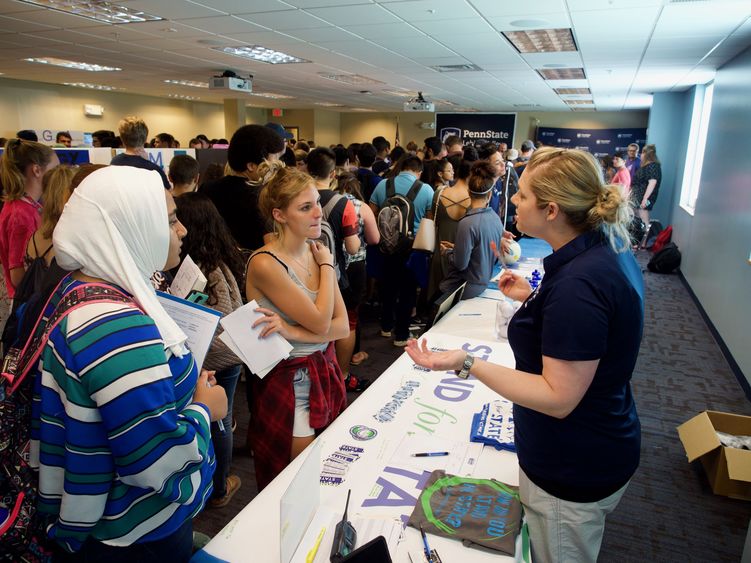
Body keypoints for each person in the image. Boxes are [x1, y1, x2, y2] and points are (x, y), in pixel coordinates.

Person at [406, 147, 643, 563]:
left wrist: (468, 362)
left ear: (551, 210)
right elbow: (591, 335)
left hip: (573, 463)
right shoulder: (600, 252)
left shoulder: (580, 285)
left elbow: (557, 396)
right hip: (593, 442)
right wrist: (535, 300)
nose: (512, 199)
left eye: (523, 196)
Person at [30, 166, 227, 561]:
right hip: (130, 534)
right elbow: (152, 459)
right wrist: (206, 408)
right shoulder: (114, 325)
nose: (182, 230)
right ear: (131, 227)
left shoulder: (83, 285)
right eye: (170, 219)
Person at [245, 162, 349, 489]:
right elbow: (322, 321)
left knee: (323, 474)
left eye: (317, 202)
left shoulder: (314, 251)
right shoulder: (266, 263)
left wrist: (291, 331)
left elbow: (342, 327)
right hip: (289, 381)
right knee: (294, 481)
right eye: (306, 207)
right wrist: (329, 267)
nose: (318, 213)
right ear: (280, 215)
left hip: (322, 368)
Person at [175, 192, 245, 509]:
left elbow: (221, 317)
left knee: (216, 418)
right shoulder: (213, 262)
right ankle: (218, 485)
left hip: (212, 357)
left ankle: (216, 485)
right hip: (223, 357)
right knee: (220, 418)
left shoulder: (200, 268)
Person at [369, 155, 434, 347]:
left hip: (386, 246)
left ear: (399, 168)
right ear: (418, 171)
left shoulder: (383, 185)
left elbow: (372, 213)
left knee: (387, 287)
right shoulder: (426, 189)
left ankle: (386, 326)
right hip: (412, 249)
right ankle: (401, 335)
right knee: (407, 292)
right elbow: (428, 221)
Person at [201, 124, 286, 251]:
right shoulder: (262, 197)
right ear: (251, 166)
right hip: (254, 266)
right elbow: (274, 249)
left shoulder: (207, 188)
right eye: (275, 160)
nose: (277, 166)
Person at [333, 172, 379, 390]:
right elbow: (374, 238)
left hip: (328, 267)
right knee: (350, 317)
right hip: (355, 266)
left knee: (330, 313)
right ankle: (346, 366)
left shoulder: (324, 203)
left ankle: (329, 362)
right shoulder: (361, 206)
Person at [0, 138, 59, 298]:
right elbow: (18, 276)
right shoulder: (21, 214)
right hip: (28, 299)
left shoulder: (26, 206)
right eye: (54, 170)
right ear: (37, 170)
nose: (57, 176)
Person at [437, 161, 503, 300]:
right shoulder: (496, 219)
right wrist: (457, 248)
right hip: (483, 283)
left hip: (466, 289)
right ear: (490, 195)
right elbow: (487, 253)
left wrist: (447, 252)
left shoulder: (467, 223)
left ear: (468, 192)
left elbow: (461, 265)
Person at [426, 155, 471, 301]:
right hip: (463, 255)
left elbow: (433, 220)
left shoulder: (439, 194)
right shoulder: (476, 200)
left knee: (437, 299)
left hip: (439, 253)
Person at [110, 116, 171, 189]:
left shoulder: (114, 162)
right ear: (145, 139)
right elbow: (168, 194)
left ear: (121, 139)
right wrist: (147, 162)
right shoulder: (154, 169)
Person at [631, 144, 661, 231]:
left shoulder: (653, 166)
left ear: (648, 154)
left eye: (643, 152)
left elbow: (652, 183)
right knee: (639, 220)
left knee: (644, 220)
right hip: (638, 197)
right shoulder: (646, 166)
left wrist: (645, 199)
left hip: (644, 199)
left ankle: (643, 242)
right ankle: (640, 241)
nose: (641, 155)